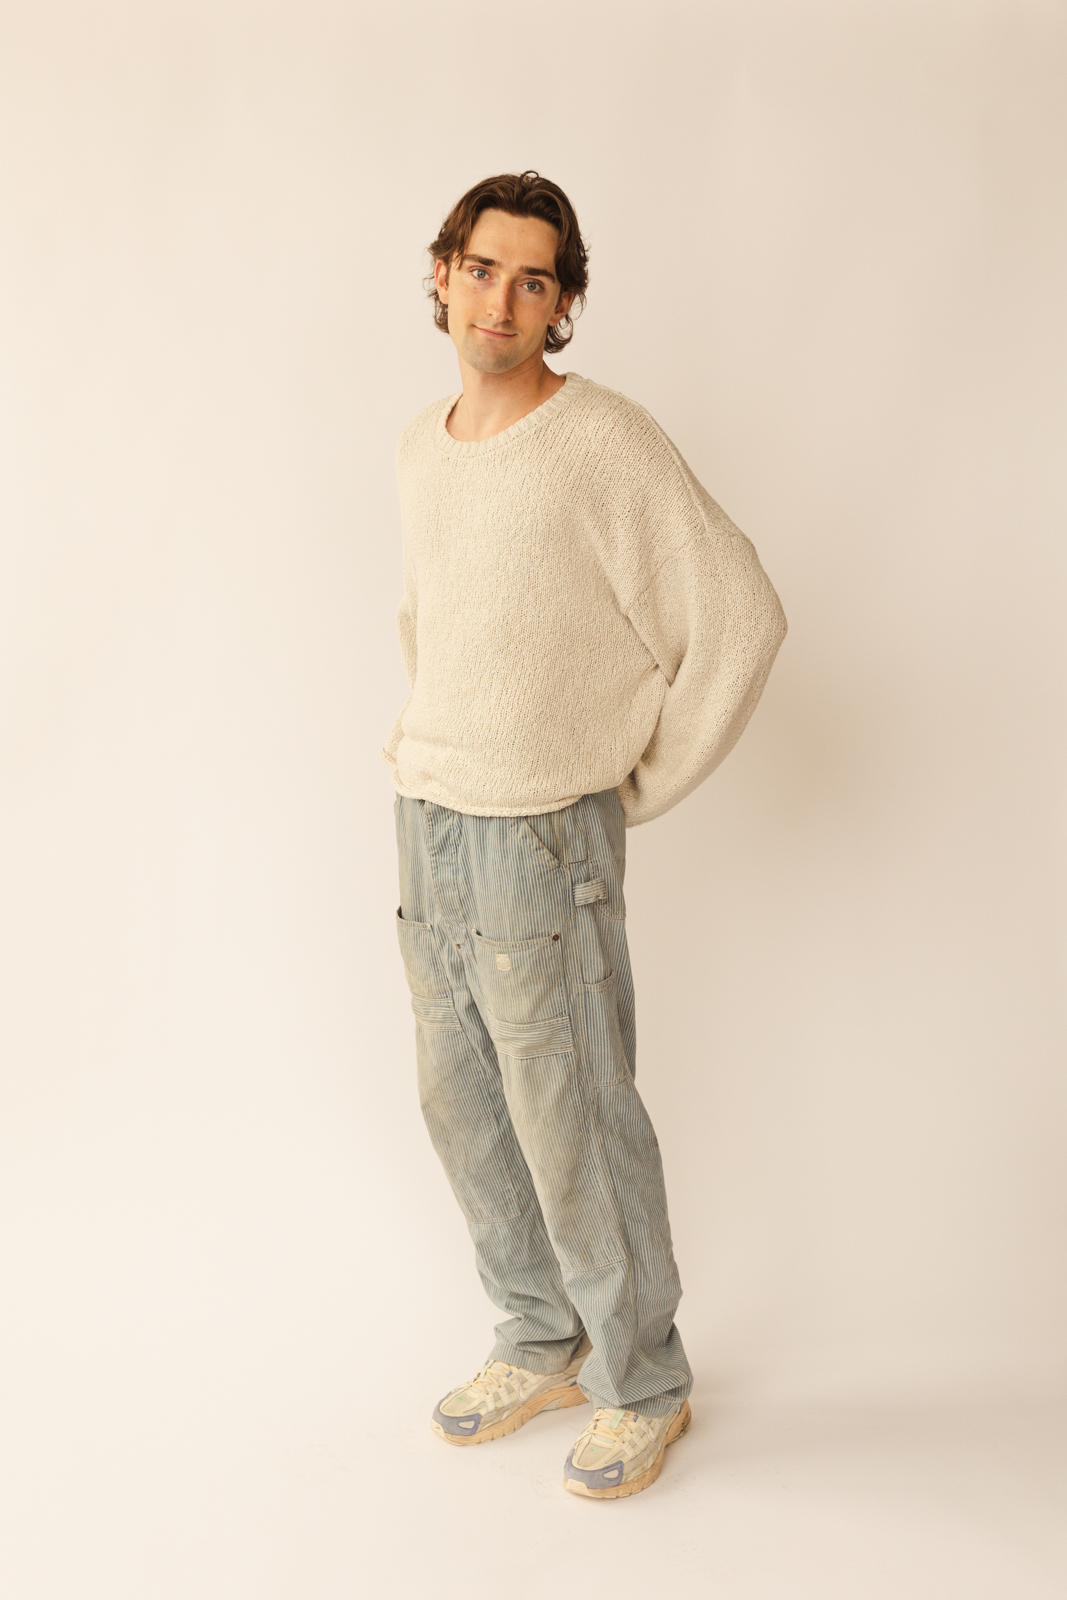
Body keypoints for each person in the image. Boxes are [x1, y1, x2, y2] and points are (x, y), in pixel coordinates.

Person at [383, 170, 786, 1500]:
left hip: (542, 837)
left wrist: (634, 781)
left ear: (562, 303)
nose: (500, 300)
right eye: (481, 269)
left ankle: (642, 1379)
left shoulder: (603, 439)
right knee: (463, 1105)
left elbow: (739, 613)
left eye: (533, 279)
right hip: (430, 816)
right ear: (441, 274)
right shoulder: (421, 444)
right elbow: (434, 624)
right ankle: (540, 1336)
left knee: (575, 1117)